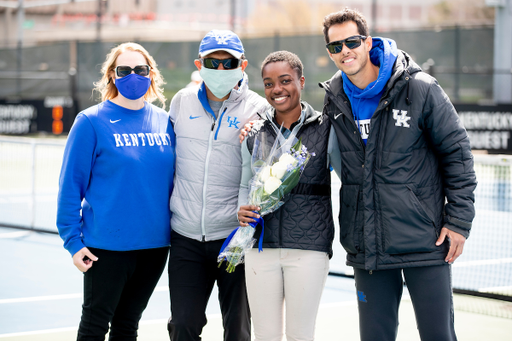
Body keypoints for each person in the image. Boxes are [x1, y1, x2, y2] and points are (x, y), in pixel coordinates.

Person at [319, 8, 477, 341]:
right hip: (368, 245)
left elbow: (458, 153)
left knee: (438, 335)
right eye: (336, 46)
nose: (345, 51)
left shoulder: (419, 88)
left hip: (424, 241)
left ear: (368, 42)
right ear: (330, 53)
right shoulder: (334, 98)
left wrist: (459, 221)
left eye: (352, 42)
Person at [56, 42, 175, 340]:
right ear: (111, 75)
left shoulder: (165, 122)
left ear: (151, 75)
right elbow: (70, 185)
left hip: (154, 247)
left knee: (127, 325)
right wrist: (72, 241)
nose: (133, 75)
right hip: (106, 247)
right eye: (124, 70)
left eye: (140, 69)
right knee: (96, 325)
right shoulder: (90, 121)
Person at [167, 29, 268, 341]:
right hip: (186, 238)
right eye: (213, 63)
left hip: (233, 239)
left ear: (243, 65)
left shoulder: (259, 108)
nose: (221, 70)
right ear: (199, 64)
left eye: (229, 63)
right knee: (183, 326)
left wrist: (261, 134)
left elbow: (269, 167)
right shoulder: (181, 102)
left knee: (237, 330)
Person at [237, 51, 341, 341]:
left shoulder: (326, 129)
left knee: (300, 335)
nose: (277, 89)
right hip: (260, 249)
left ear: (301, 81)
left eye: (285, 80)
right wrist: (241, 210)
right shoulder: (255, 132)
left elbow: (350, 179)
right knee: (266, 336)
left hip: (308, 249)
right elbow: (244, 185)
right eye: (269, 84)